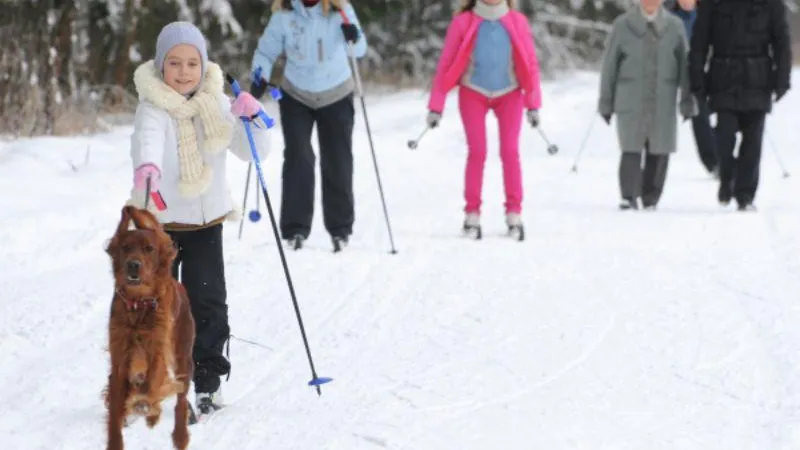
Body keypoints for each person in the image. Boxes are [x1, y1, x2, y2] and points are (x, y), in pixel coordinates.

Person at [127, 21, 270, 416]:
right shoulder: (153, 107)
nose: (184, 71)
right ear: (160, 66)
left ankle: (207, 381)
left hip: (206, 224)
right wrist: (148, 170)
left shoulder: (218, 104)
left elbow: (252, 150)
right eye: (175, 63)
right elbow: (148, 142)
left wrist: (252, 118)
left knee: (207, 304)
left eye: (193, 62)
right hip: (160, 225)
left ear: (204, 66)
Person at [251, 0, 366, 252]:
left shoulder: (340, 10)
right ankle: (295, 228)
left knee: (337, 159)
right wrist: (260, 74)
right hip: (297, 94)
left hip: (336, 92)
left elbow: (358, 50)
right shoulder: (284, 15)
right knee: (298, 156)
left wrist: (353, 37)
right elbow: (266, 51)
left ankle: (340, 229)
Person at [427, 0, 542, 241]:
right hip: (473, 92)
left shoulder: (516, 21)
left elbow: (530, 64)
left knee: (510, 151)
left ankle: (514, 213)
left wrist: (533, 103)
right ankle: (472, 215)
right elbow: (446, 63)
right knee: (477, 152)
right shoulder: (464, 22)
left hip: (509, 92)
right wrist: (436, 105)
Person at [689, 0, 791, 210]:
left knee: (753, 141)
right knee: (724, 137)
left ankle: (745, 195)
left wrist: (782, 78)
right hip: (723, 78)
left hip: (758, 79)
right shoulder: (713, 4)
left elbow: (781, 42)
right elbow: (699, 42)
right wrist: (697, 78)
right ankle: (728, 176)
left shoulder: (770, 4)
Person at [598, 0, 696, 211]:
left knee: (659, 146)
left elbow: (685, 66)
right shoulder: (622, 25)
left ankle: (651, 196)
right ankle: (629, 195)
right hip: (630, 96)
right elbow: (609, 67)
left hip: (663, 96)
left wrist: (688, 100)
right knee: (631, 145)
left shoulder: (675, 26)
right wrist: (606, 102)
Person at [667, 0, 719, 177]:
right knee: (699, 114)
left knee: (724, 116)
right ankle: (713, 162)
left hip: (705, 69)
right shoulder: (669, 17)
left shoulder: (708, 13)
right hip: (680, 72)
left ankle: (721, 153)